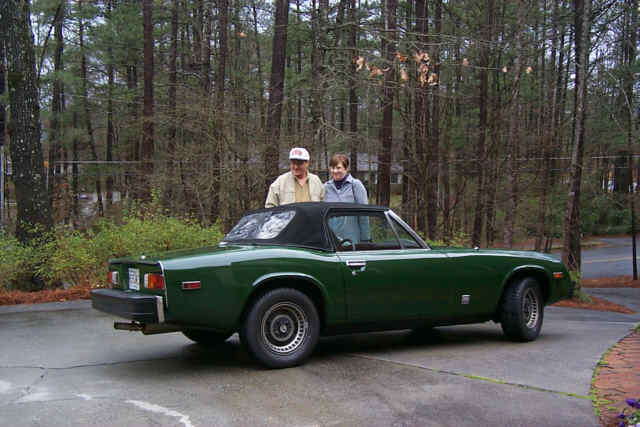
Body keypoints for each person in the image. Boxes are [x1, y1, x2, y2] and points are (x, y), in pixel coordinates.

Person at [324, 153, 370, 244]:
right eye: (332, 168)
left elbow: (364, 213)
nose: (335, 171)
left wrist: (366, 238)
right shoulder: (326, 187)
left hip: (352, 239)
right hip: (331, 241)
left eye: (338, 168)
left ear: (346, 168)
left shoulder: (355, 185)